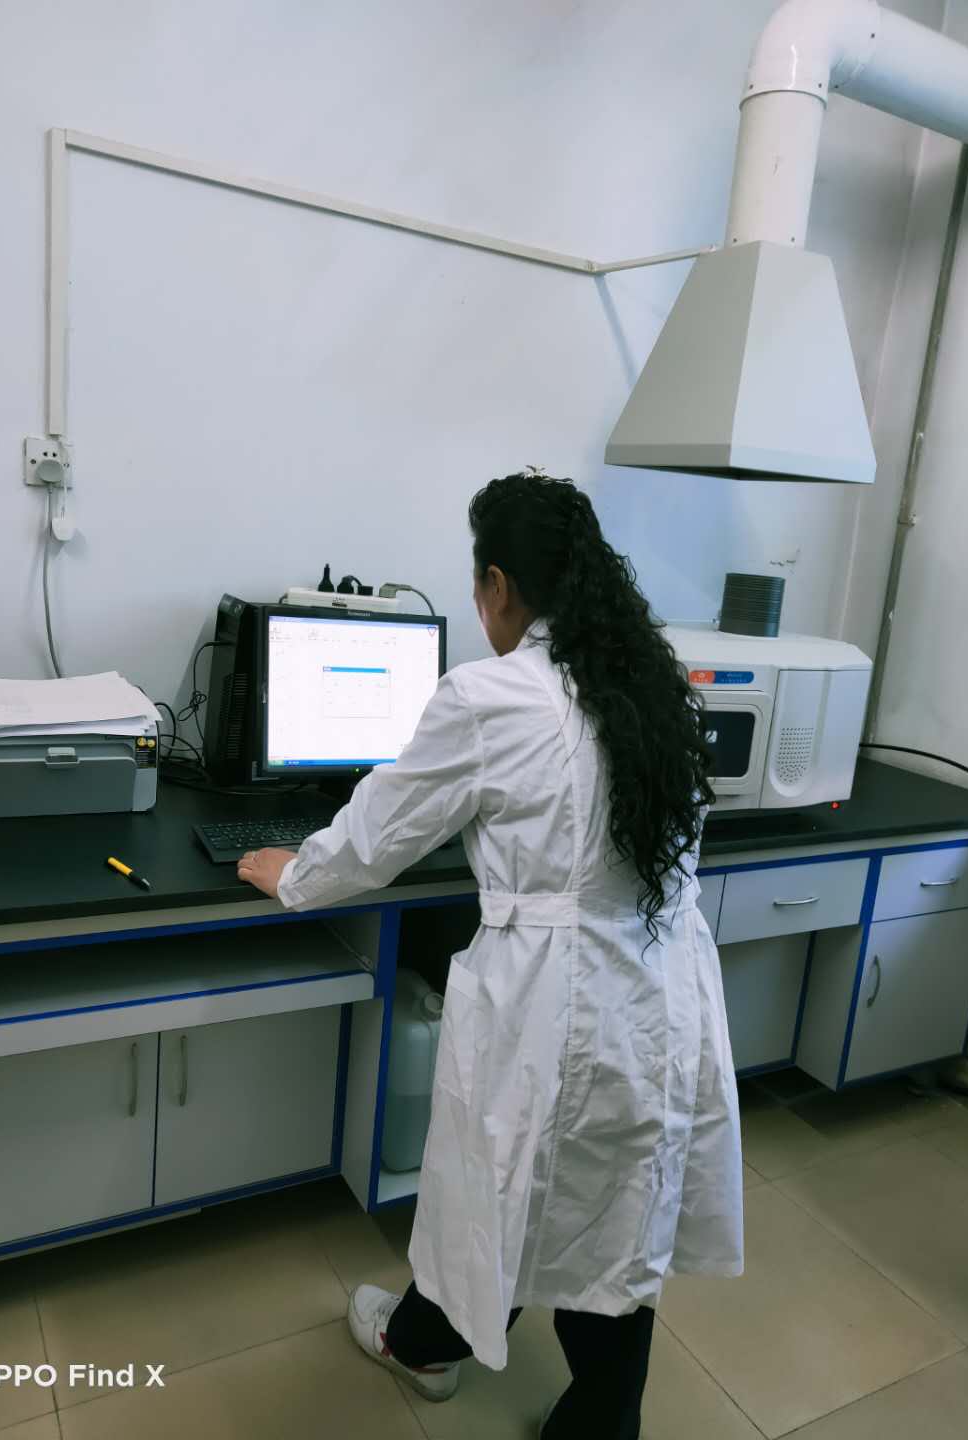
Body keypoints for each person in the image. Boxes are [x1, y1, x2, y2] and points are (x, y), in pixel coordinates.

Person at [238, 471, 743, 1439]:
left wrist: (291, 873)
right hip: (663, 989)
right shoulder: (652, 685)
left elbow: (378, 836)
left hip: (557, 998)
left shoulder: (489, 694)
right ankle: (598, 1418)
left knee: (500, 1185)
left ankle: (426, 1347)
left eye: (479, 587)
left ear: (498, 585)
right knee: (618, 1204)